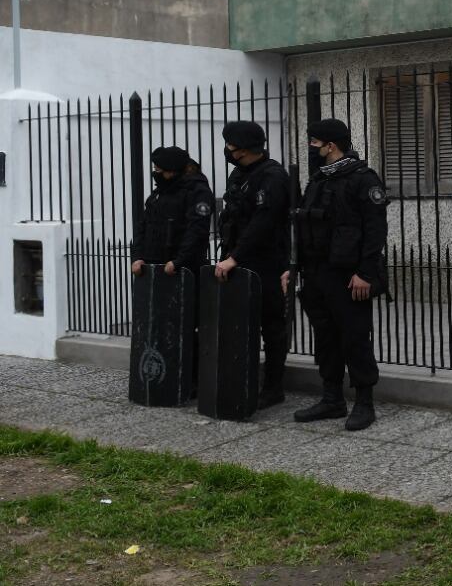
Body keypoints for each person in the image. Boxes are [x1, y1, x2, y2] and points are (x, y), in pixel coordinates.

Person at [286, 118, 388, 431]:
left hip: (348, 275)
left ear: (331, 145)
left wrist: (365, 273)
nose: (311, 149)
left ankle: (364, 402)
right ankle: (332, 399)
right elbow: (305, 226)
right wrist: (293, 270)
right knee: (326, 338)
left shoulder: (362, 178)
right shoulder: (319, 179)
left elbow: (375, 231)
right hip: (317, 272)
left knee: (355, 338)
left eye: (315, 143)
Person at [216, 121, 292, 409]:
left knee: (272, 328)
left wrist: (235, 258)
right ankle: (242, 380)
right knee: (240, 324)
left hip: (266, 264)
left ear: (244, 149)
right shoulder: (240, 174)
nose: (227, 151)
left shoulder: (273, 177)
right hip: (237, 261)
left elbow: (264, 223)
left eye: (231, 147)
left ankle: (273, 388)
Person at [130, 146, 214, 278]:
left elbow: (197, 230)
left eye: (158, 170)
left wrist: (179, 261)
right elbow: (143, 226)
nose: (155, 174)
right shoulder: (160, 192)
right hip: (152, 267)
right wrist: (137, 257)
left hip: (182, 270)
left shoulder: (197, 191)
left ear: (172, 171)